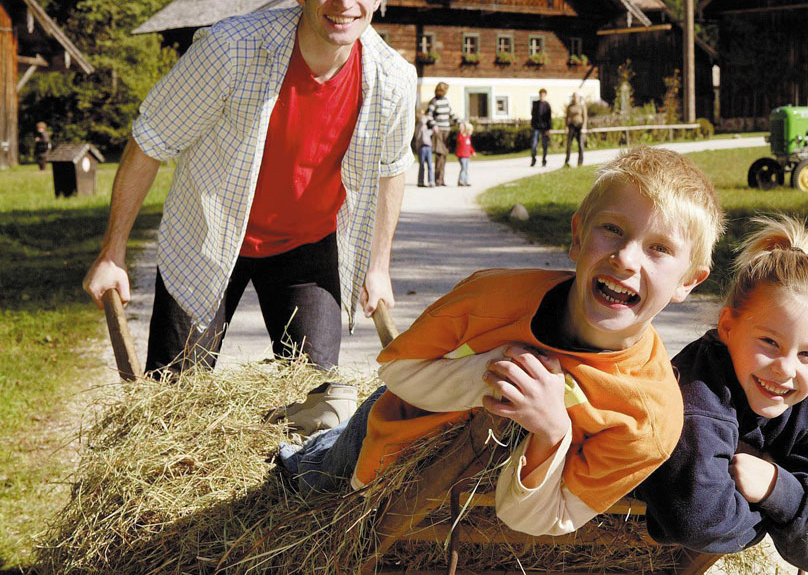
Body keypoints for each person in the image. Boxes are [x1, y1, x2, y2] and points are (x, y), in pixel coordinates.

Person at [278, 146, 725, 538]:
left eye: (659, 249)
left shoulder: (649, 417)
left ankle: (324, 420)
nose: (625, 258)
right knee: (306, 480)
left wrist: (551, 429)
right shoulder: (490, 294)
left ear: (689, 281)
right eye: (613, 229)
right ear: (576, 236)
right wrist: (491, 374)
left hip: (484, 500)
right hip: (405, 428)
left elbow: (546, 516)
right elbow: (396, 370)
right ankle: (316, 437)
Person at [82, 0, 416, 378]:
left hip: (307, 247)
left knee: (315, 404)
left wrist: (377, 267)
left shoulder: (394, 81)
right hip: (209, 238)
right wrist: (112, 253)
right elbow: (151, 140)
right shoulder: (231, 50)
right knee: (174, 402)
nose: (345, 1)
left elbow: (390, 168)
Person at [637, 214, 808, 574]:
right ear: (727, 327)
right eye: (770, 342)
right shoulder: (698, 387)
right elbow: (696, 518)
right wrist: (781, 519)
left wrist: (776, 486)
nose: (786, 369)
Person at [426, 81, 457, 186]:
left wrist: (460, 122)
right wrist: (434, 125)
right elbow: (429, 115)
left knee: (444, 155)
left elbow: (451, 114)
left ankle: (442, 179)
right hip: (438, 131)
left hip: (446, 130)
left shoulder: (446, 101)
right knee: (439, 155)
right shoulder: (434, 101)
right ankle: (438, 179)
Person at [564, 92, 587, 167]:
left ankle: (580, 162)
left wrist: (583, 127)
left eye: (576, 97)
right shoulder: (570, 106)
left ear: (578, 98)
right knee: (568, 144)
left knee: (580, 144)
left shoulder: (582, 106)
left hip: (579, 126)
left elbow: (585, 117)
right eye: (574, 97)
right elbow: (567, 117)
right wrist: (566, 126)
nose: (575, 98)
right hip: (571, 126)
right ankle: (567, 161)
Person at [530, 88, 551, 167]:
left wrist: (548, 128)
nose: (542, 96)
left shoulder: (547, 105)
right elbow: (533, 115)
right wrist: (533, 125)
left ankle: (544, 160)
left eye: (543, 95)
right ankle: (533, 159)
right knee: (534, 144)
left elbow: (549, 118)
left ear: (545, 95)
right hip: (536, 127)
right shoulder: (535, 104)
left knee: (544, 144)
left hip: (544, 128)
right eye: (541, 95)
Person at [416, 114, 435, 187]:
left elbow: (433, 130)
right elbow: (422, 122)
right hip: (422, 148)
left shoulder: (427, 129)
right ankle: (420, 181)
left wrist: (431, 120)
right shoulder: (418, 128)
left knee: (430, 165)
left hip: (429, 148)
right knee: (422, 165)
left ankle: (431, 181)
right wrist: (428, 117)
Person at [455, 120, 475, 187]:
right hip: (462, 155)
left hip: (467, 156)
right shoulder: (461, 136)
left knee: (466, 169)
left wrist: (472, 152)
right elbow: (459, 140)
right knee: (463, 168)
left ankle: (465, 181)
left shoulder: (468, 137)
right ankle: (461, 181)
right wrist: (461, 130)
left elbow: (469, 146)